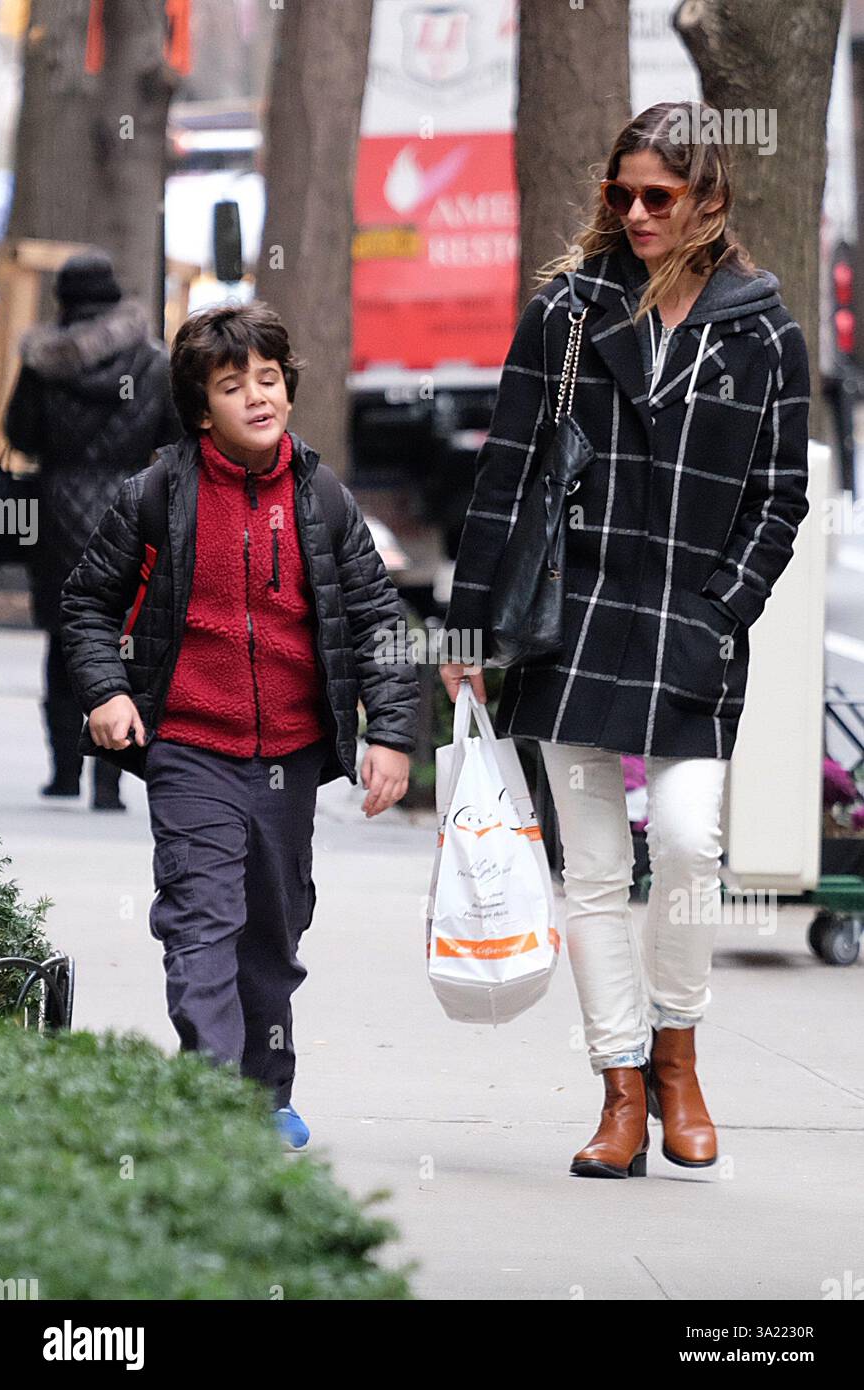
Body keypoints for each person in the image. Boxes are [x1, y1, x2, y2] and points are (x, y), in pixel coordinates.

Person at [439, 102, 810, 1179]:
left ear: (708, 198)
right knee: (594, 867)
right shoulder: (563, 313)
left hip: (689, 630)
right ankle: (618, 1086)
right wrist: (468, 624)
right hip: (577, 619)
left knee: (689, 847)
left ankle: (678, 1054)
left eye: (658, 195)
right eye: (621, 195)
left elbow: (778, 499)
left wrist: (721, 606)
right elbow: (503, 474)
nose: (637, 213)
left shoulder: (763, 330)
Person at [60, 301, 419, 1149]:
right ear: (199, 408)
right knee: (199, 920)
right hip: (188, 747)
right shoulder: (156, 493)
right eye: (233, 385)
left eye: (267, 379)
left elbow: (377, 620)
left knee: (272, 930)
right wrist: (107, 692)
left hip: (288, 760)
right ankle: (214, 1100)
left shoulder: (322, 499)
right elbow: (85, 603)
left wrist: (394, 735)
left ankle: (267, 1095)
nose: (257, 396)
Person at [3, 249, 182, 810]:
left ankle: (62, 772)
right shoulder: (153, 362)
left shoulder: (42, 360)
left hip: (56, 509)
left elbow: (20, 433)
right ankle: (110, 783)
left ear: (65, 300)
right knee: (124, 637)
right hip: (134, 506)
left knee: (65, 637)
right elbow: (174, 433)